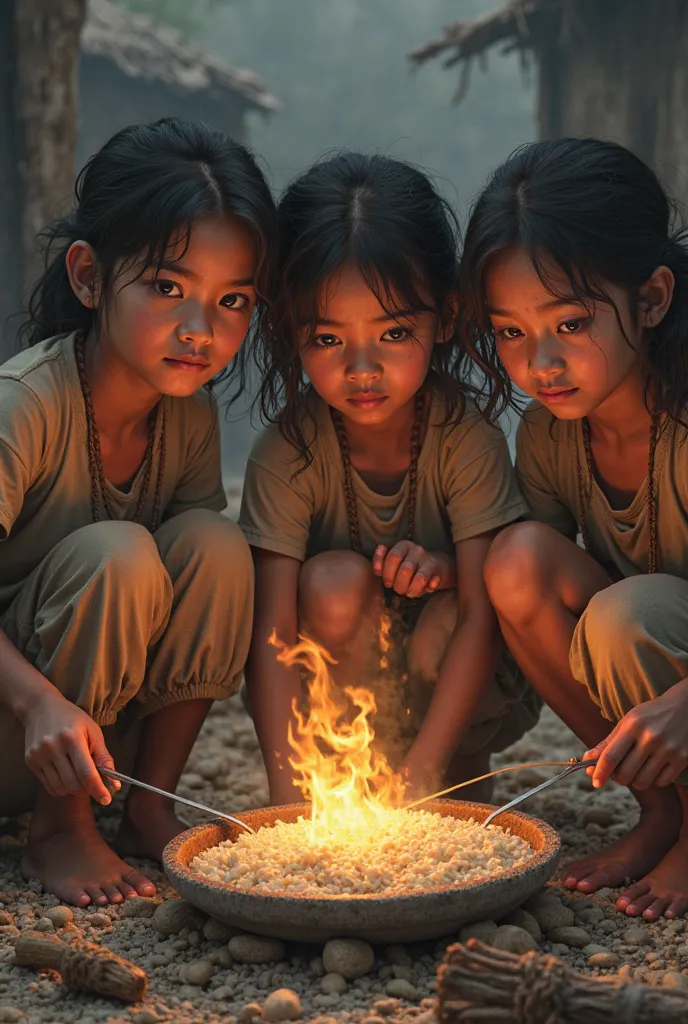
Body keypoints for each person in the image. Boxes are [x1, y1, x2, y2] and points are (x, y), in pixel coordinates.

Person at [0, 117, 276, 907]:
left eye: (232, 301)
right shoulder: (24, 407)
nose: (201, 330)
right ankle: (59, 830)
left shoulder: (183, 413)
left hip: (87, 738)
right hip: (22, 722)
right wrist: (37, 701)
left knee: (216, 544)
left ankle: (147, 806)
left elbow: (195, 595)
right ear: (89, 278)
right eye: (167, 288)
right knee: (117, 552)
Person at [239, 151, 540, 808]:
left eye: (395, 331)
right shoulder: (288, 451)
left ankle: (453, 777)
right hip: (341, 694)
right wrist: (288, 802)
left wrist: (425, 772)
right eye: (327, 339)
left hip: (455, 689)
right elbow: (271, 637)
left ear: (448, 315)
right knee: (331, 581)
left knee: (454, 611)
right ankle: (353, 782)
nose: (363, 368)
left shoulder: (465, 438)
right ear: (292, 332)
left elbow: (485, 619)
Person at [459, 136, 688, 921]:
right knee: (517, 563)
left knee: (633, 617)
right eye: (511, 333)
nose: (540, 363)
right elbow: (531, 604)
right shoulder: (553, 435)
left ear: (652, 299)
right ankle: (663, 811)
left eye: (572, 322)